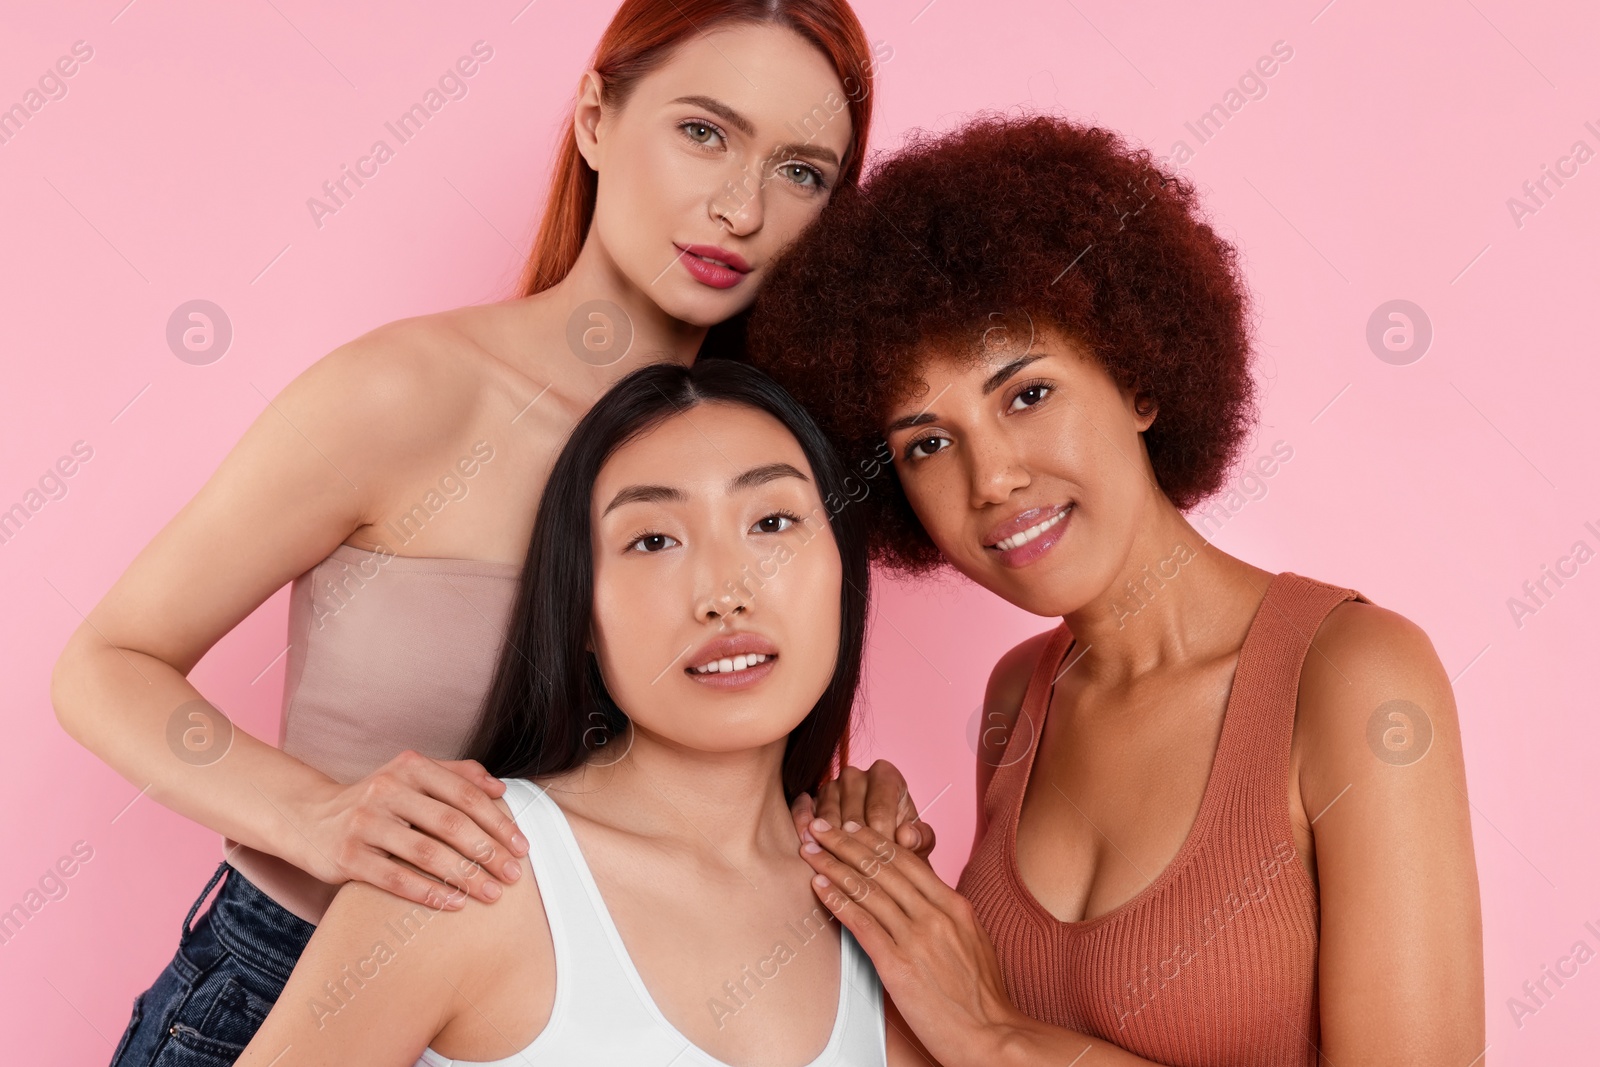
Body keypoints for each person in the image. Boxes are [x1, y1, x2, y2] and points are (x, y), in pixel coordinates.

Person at [50, 2, 881, 1063]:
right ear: (594, 119)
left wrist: (845, 814)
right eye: (704, 131)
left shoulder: (769, 454)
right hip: (285, 984)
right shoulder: (411, 393)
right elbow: (103, 663)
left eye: (802, 171)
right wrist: (315, 815)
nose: (739, 207)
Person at [751, 114, 1486, 1066]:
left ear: (1139, 380)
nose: (993, 478)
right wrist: (885, 903)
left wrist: (997, 1035)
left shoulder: (1355, 678)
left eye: (1027, 394)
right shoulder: (1021, 698)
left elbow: (999, 1042)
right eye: (927, 443)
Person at [234, 359, 928, 1065]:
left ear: (844, 570)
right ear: (582, 617)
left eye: (773, 521)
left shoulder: (884, 911)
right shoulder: (473, 869)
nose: (727, 591)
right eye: (653, 539)